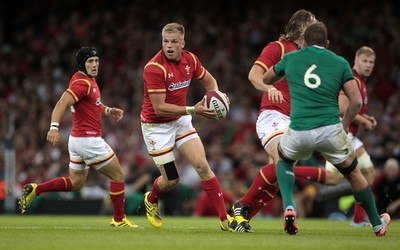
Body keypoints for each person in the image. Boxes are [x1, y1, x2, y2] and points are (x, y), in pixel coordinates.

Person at [263, 21, 390, 236]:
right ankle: (377, 224)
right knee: (355, 174)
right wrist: (345, 124)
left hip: (299, 129)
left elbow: (266, 79)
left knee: (283, 160)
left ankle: (289, 207)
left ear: (303, 41)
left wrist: (284, 77)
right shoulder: (340, 62)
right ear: (327, 43)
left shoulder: (291, 57)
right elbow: (356, 101)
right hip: (330, 130)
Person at [229, 9, 342, 233]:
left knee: (281, 172)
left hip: (296, 121)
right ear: (302, 28)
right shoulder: (278, 48)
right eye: (313, 24)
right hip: (273, 114)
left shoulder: (309, 57)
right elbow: (254, 75)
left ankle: (240, 217)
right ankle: (242, 207)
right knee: (283, 160)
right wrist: (269, 87)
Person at [18, 47, 137, 227]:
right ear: (82, 63)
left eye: (96, 61)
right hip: (89, 140)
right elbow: (62, 103)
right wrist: (54, 127)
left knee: (76, 183)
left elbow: (93, 103)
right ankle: (119, 220)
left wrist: (108, 110)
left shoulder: (84, 80)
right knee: (118, 175)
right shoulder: (83, 83)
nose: (95, 64)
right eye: (90, 61)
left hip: (77, 141)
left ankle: (37, 189)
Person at [140, 23, 232, 230]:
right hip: (156, 126)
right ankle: (152, 198)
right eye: (165, 41)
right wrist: (193, 110)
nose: (169, 46)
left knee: (202, 165)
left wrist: (216, 96)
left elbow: (209, 81)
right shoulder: (154, 68)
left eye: (174, 41)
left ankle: (225, 219)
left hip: (180, 121)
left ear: (183, 43)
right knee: (171, 180)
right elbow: (160, 108)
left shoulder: (190, 59)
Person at [325, 46, 378, 227]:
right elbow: (341, 108)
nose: (368, 65)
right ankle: (287, 170)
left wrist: (365, 118)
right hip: (340, 134)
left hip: (351, 137)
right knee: (332, 179)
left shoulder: (361, 82)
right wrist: (363, 122)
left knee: (369, 172)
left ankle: (358, 220)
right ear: (356, 61)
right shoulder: (353, 79)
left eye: (371, 62)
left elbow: (355, 110)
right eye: (365, 61)